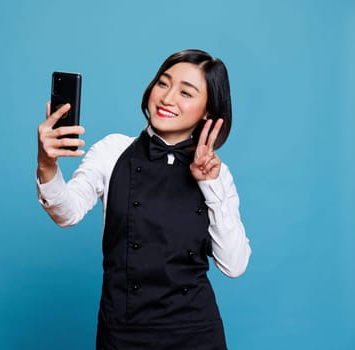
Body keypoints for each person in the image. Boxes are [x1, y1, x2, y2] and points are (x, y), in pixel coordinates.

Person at [36, 49, 251, 349]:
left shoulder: (218, 174)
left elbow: (234, 264)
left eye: (186, 92)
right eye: (163, 83)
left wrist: (210, 184)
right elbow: (66, 213)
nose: (167, 98)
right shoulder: (113, 151)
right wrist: (47, 164)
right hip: (123, 332)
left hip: (196, 333)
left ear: (207, 110)